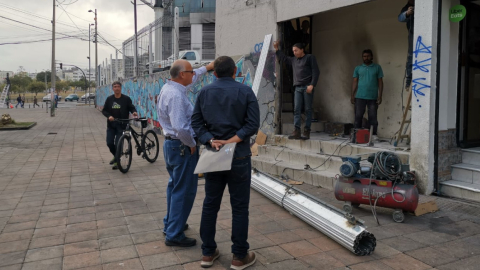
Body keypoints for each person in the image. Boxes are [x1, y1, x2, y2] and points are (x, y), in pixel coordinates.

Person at [192, 56, 260, 269]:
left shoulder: (204, 92)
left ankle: (207, 253)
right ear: (235, 72)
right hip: (239, 156)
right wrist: (231, 141)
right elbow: (252, 125)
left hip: (214, 155)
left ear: (214, 73)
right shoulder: (246, 91)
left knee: (210, 205)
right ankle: (239, 256)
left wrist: (211, 140)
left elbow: (196, 123)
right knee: (239, 207)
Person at [156, 60, 214, 247]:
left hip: (172, 147)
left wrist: (208, 67)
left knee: (174, 187)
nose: (193, 74)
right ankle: (174, 234)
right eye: (190, 72)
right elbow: (180, 127)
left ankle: (171, 224)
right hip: (182, 147)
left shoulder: (171, 87)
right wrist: (191, 144)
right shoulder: (176, 96)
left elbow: (194, 75)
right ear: (182, 75)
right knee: (184, 191)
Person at [273, 41, 319, 140]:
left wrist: (312, 85)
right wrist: (277, 49)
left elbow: (316, 72)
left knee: (308, 109)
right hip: (297, 87)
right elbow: (284, 58)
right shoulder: (294, 60)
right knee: (296, 109)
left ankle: (307, 131)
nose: (294, 52)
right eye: (293, 51)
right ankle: (296, 131)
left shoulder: (310, 58)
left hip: (307, 86)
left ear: (302, 50)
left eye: (296, 50)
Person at [102, 81, 138, 170]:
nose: (117, 88)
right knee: (109, 143)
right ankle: (116, 156)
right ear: (113, 88)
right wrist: (109, 116)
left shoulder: (126, 99)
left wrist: (134, 111)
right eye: (115, 86)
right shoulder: (109, 99)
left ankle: (117, 161)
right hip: (111, 125)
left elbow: (131, 107)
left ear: (121, 88)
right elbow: (104, 110)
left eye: (118, 86)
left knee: (118, 143)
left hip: (122, 125)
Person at [351, 49, 384, 141]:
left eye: (368, 56)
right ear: (362, 57)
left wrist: (380, 95)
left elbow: (380, 82)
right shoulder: (358, 68)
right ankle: (355, 134)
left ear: (372, 57)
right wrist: (352, 95)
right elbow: (354, 82)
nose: (366, 58)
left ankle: (373, 134)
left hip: (373, 97)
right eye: (364, 56)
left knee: (373, 117)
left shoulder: (377, 67)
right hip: (359, 96)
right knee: (358, 116)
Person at [398, 0, 415, 89]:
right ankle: (409, 81)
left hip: (423, 33)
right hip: (412, 33)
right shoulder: (406, 7)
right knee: (411, 56)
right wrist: (407, 13)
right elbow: (400, 18)